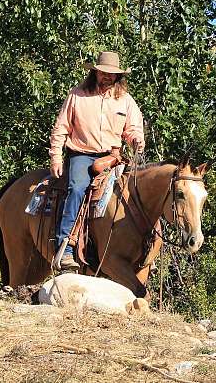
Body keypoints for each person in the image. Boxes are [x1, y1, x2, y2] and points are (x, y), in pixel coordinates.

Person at [49, 51, 145, 271]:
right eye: (103, 73)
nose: (107, 77)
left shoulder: (126, 101)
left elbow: (132, 129)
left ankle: (137, 248)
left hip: (112, 156)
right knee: (77, 188)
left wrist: (136, 140)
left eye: (112, 74)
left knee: (135, 192)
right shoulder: (77, 95)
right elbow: (61, 128)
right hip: (82, 154)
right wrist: (56, 156)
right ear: (95, 72)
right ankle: (65, 247)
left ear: (118, 76)